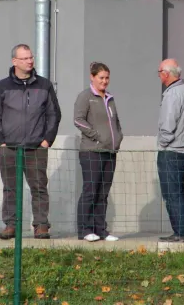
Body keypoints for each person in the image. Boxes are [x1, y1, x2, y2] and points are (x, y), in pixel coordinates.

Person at [0, 44, 61, 240]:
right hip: (9, 148)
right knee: (10, 188)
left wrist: (46, 141)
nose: (30, 61)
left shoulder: (44, 85)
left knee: (39, 187)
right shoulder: (1, 87)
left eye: (31, 57)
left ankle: (41, 225)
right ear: (15, 62)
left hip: (36, 148)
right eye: (25, 58)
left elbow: (54, 114)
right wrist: (1, 142)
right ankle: (11, 225)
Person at [73, 62, 123, 242]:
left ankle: (101, 229)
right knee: (91, 190)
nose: (104, 81)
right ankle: (85, 230)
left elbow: (116, 122)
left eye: (107, 78)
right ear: (92, 77)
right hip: (91, 151)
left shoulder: (110, 98)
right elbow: (78, 120)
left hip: (110, 151)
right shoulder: (85, 97)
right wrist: (96, 136)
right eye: (101, 77)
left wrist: (118, 137)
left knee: (103, 192)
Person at [157, 59, 184, 242]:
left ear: (166, 74)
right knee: (179, 190)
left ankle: (181, 232)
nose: (159, 75)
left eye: (159, 72)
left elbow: (168, 124)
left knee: (171, 192)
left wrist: (162, 143)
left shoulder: (172, 94)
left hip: (172, 149)